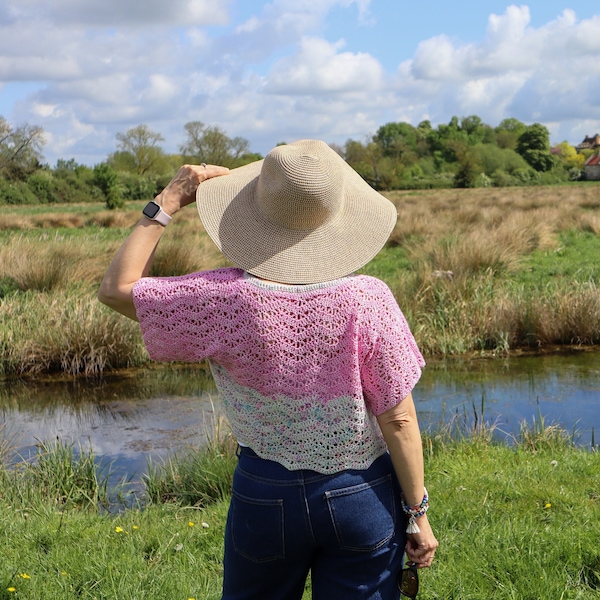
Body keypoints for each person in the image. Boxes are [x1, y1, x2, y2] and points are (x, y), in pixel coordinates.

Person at [98, 139, 438, 599]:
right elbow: (398, 420)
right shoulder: (368, 298)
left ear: (257, 212)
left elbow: (118, 289)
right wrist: (417, 513)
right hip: (361, 492)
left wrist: (167, 202)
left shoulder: (223, 298)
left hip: (264, 491)